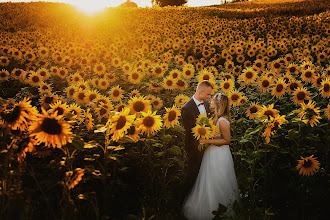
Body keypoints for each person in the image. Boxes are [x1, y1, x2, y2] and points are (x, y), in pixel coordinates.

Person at [183, 93, 240, 220]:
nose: (211, 101)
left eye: (213, 100)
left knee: (218, 180)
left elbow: (227, 141)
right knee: (208, 180)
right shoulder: (214, 117)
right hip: (211, 153)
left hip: (220, 155)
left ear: (219, 104)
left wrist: (207, 141)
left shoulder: (222, 121)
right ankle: (211, 207)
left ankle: (221, 208)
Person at [180, 80, 214, 206]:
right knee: (192, 175)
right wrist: (201, 145)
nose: (209, 97)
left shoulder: (205, 104)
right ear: (201, 92)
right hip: (194, 149)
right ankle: (183, 202)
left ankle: (201, 201)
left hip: (206, 145)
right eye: (208, 94)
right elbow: (191, 132)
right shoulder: (186, 108)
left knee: (204, 175)